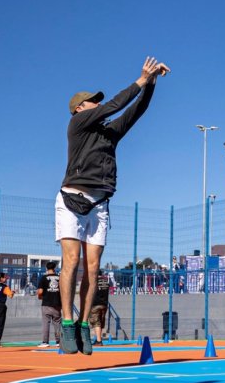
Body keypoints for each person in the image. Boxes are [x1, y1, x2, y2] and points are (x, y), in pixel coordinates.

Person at [56, 56, 170, 355]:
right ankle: (67, 324)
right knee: (71, 262)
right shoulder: (77, 124)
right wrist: (140, 79)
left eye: (96, 101)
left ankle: (83, 325)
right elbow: (114, 105)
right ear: (80, 109)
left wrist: (152, 83)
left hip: (100, 203)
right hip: (71, 198)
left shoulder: (109, 133)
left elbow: (136, 110)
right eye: (91, 101)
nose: (96, 104)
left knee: (93, 270)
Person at [36, 261, 62, 347]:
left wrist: (40, 297)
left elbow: (40, 291)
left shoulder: (43, 278)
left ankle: (45, 341)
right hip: (57, 303)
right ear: (55, 268)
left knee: (46, 322)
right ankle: (59, 341)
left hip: (47, 303)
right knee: (57, 322)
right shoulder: (60, 278)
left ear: (46, 268)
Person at [89, 270, 110, 346]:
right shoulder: (106, 282)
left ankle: (98, 340)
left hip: (95, 304)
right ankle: (99, 338)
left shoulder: (94, 282)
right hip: (104, 304)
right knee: (101, 322)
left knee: (96, 323)